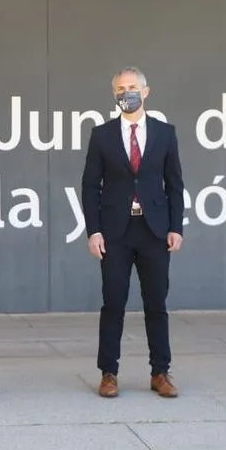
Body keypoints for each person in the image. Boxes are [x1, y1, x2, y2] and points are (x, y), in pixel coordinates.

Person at [81, 66, 184, 399]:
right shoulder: (102, 134)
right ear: (114, 95)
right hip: (115, 232)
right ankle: (109, 373)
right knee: (113, 302)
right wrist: (94, 231)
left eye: (133, 87)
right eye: (121, 88)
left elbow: (176, 185)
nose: (127, 92)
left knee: (157, 303)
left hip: (154, 231)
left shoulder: (165, 133)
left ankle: (160, 372)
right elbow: (89, 186)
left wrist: (175, 227)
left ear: (146, 91)